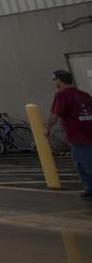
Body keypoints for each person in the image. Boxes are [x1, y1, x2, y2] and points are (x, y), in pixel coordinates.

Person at [45, 69, 92, 198]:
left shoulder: (62, 95)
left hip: (78, 135)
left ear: (59, 80)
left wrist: (47, 128)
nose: (54, 82)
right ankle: (89, 188)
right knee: (81, 164)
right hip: (88, 133)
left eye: (54, 79)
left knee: (86, 164)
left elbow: (56, 114)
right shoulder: (84, 94)